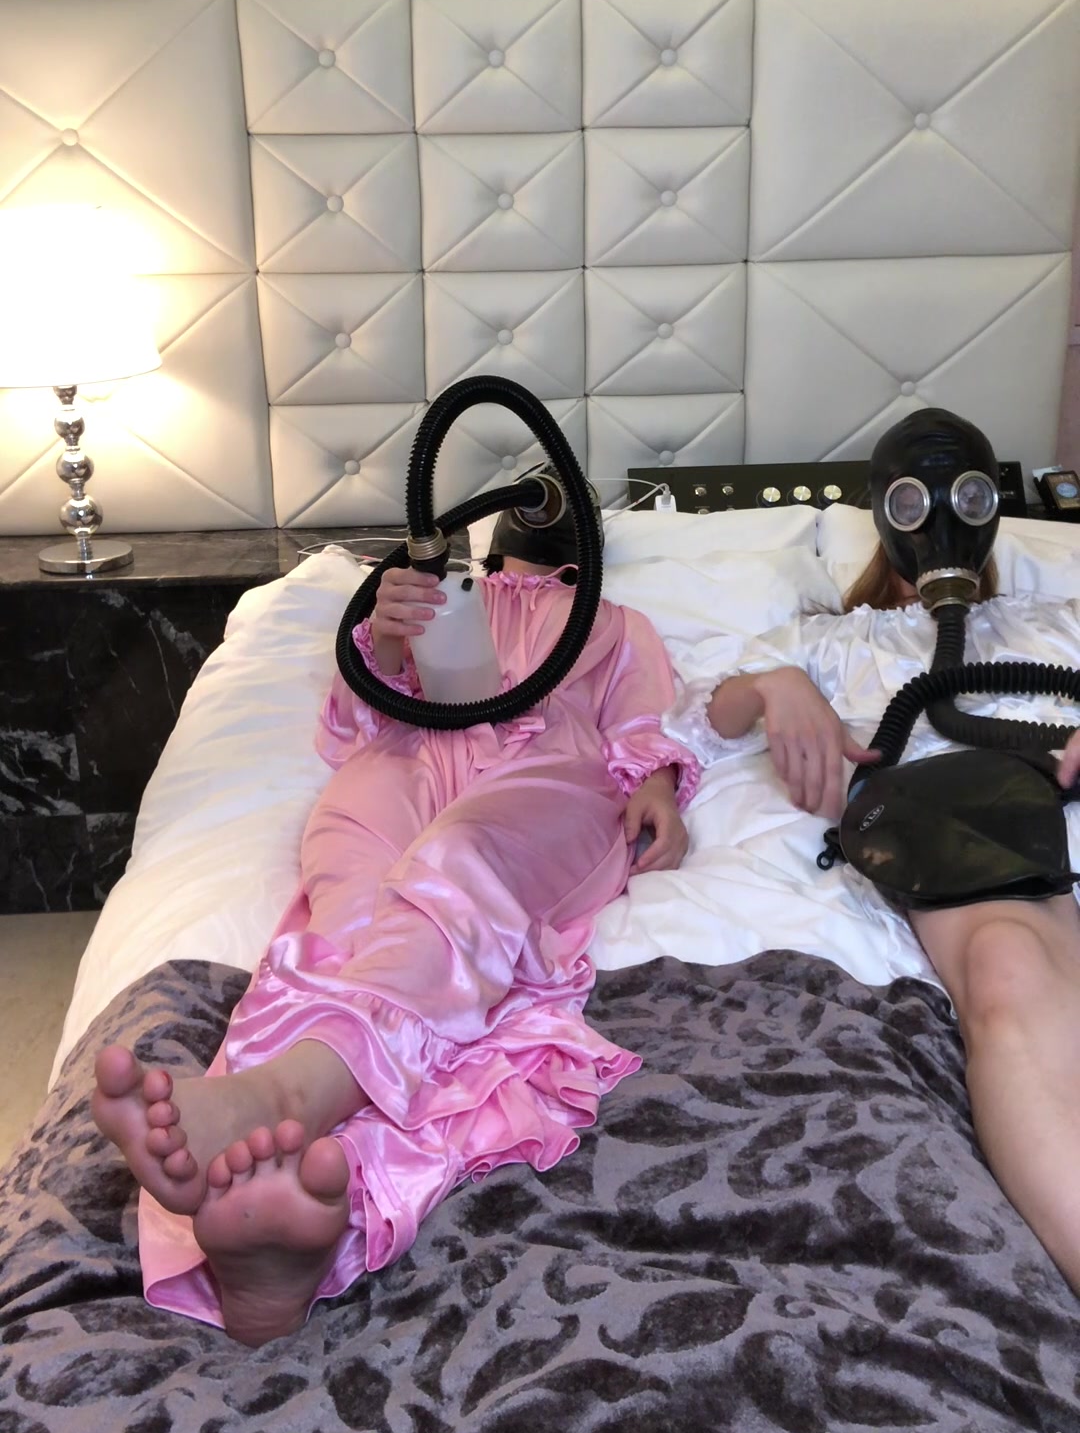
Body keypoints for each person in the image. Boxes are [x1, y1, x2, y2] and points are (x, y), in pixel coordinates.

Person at [91, 481, 698, 1346]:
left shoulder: (614, 620)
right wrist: (384, 635)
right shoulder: (438, 591)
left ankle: (278, 1096)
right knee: (350, 911)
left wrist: (661, 787)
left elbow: (643, 723)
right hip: (410, 752)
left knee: (457, 870)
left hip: (547, 772)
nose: (547, 505)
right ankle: (284, 1212)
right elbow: (351, 724)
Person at [683, 409, 1080, 1296]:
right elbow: (697, 720)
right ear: (882, 515)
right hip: (957, 836)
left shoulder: (1055, 624)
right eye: (912, 501)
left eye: (966, 497)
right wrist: (776, 686)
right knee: (1008, 965)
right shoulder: (829, 640)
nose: (940, 522)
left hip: (1048, 806)